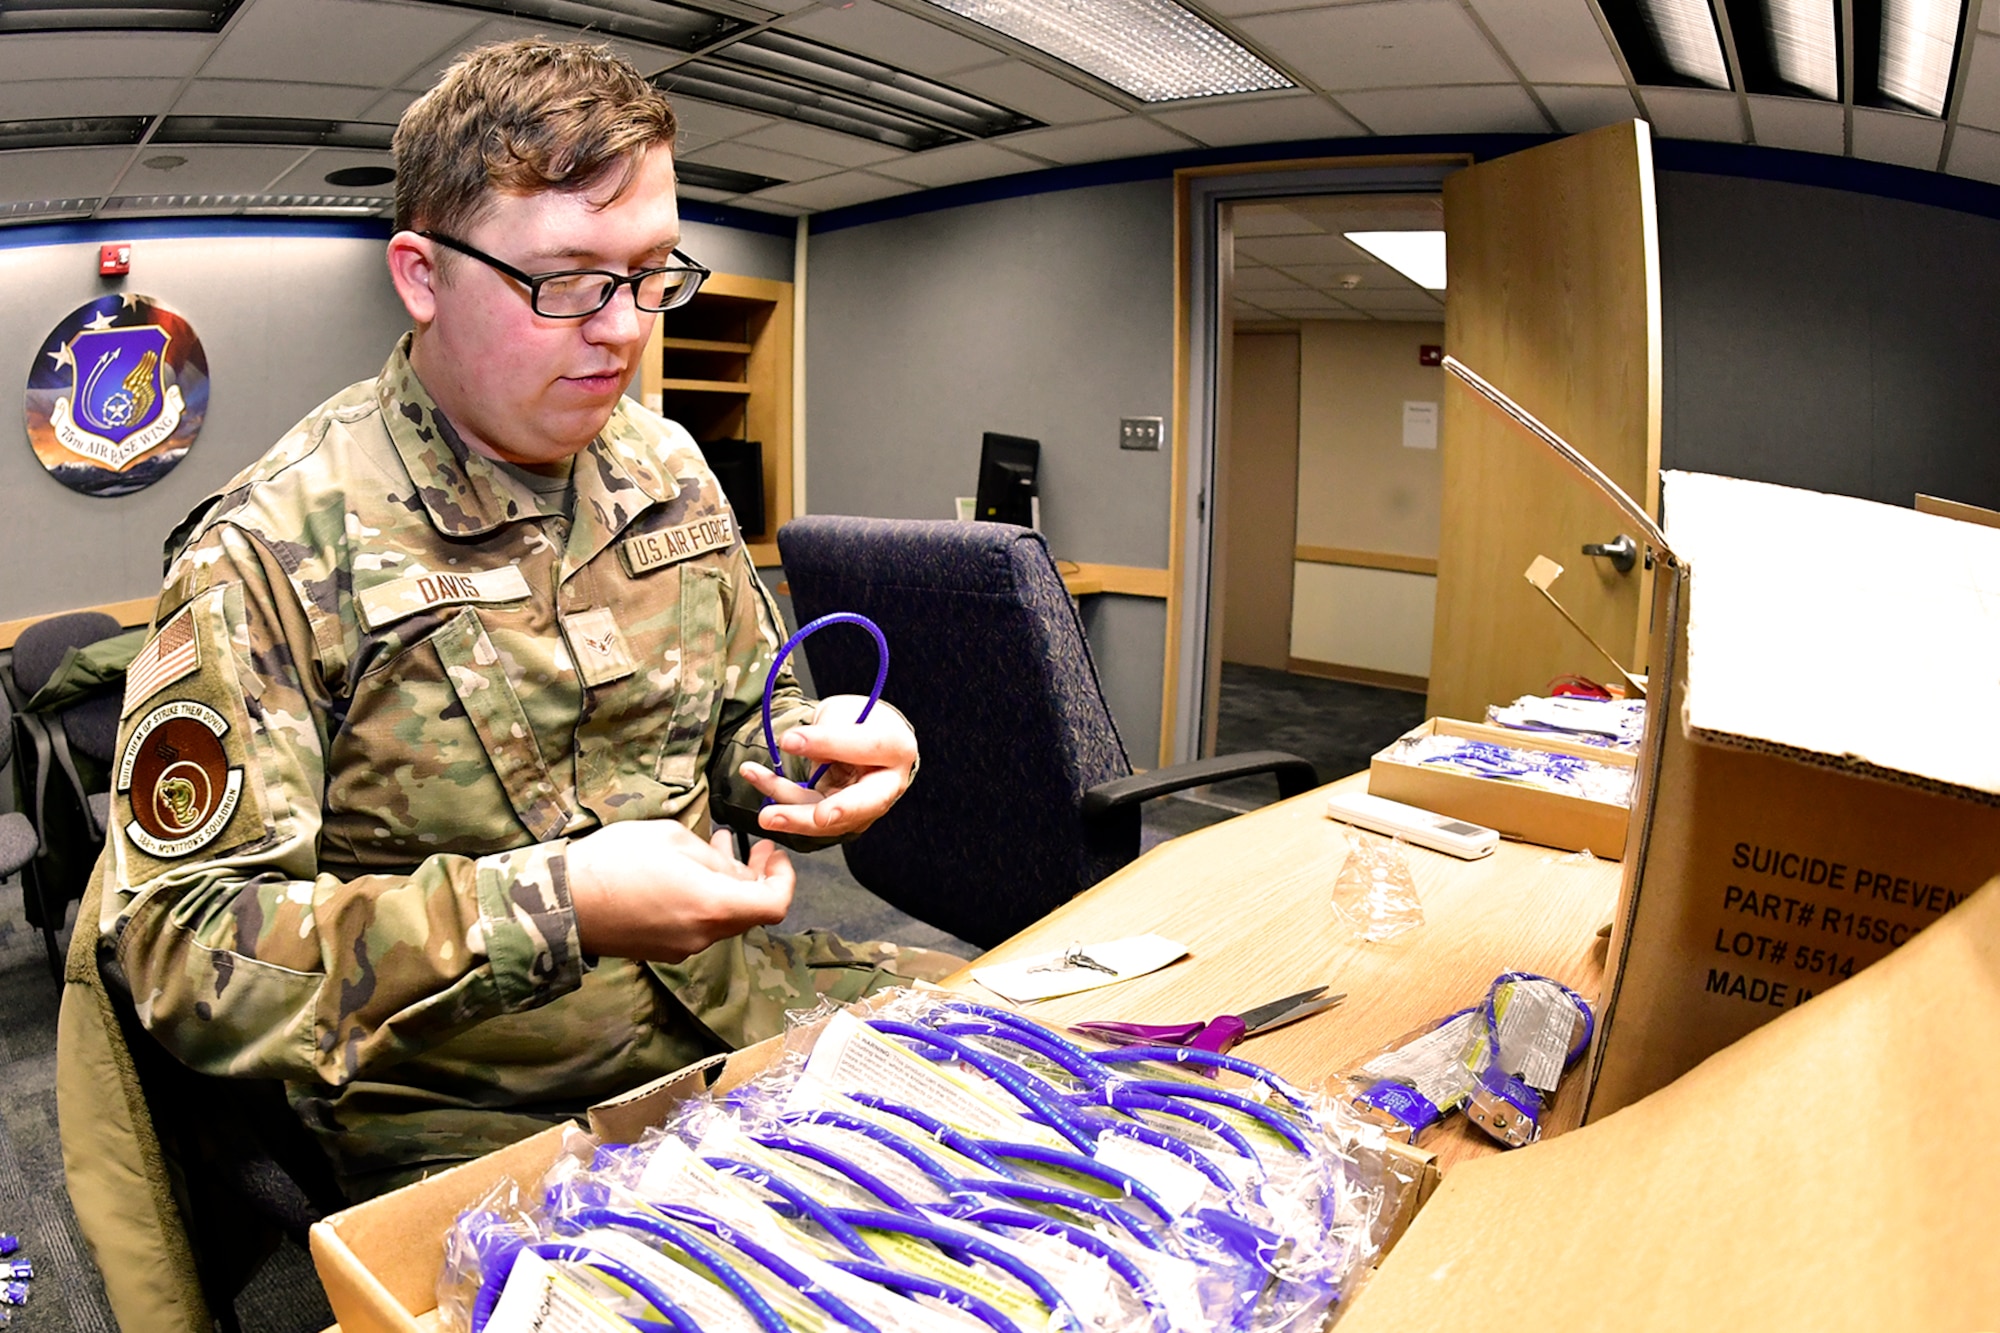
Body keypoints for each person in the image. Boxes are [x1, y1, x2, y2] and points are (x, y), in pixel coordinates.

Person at [88, 37, 959, 1201]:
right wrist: (557, 906)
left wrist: (811, 760)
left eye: (651, 272)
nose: (623, 328)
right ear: (420, 273)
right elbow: (183, 956)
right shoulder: (272, 545)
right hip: (468, 1101)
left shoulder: (669, 467)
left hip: (727, 1003)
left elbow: (749, 723)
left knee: (1043, 1085)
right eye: (567, 282)